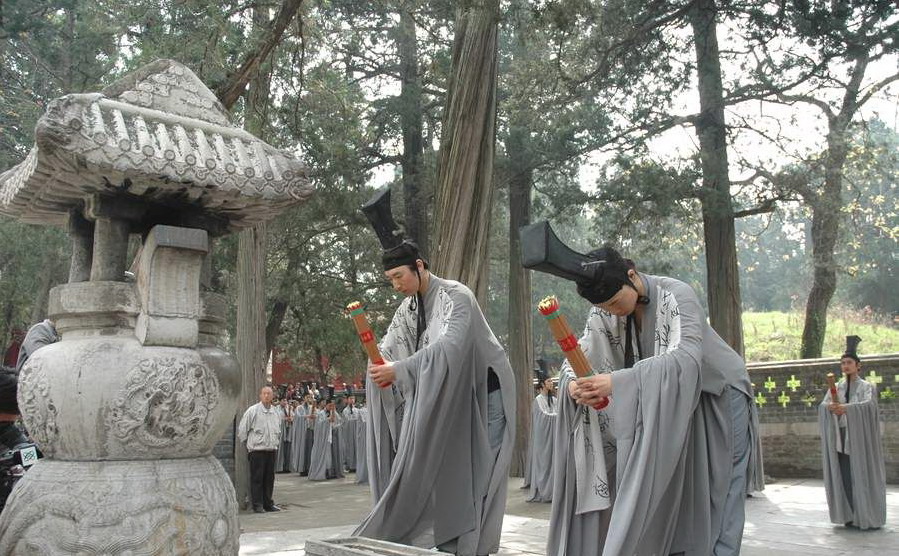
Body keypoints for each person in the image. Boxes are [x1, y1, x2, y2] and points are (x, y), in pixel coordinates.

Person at [521, 222, 762, 556]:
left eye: (617, 302)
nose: (613, 312)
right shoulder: (604, 310)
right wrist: (575, 384)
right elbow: (585, 351)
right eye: (605, 308)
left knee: (720, 489)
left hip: (718, 394)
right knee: (685, 492)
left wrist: (618, 382)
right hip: (675, 401)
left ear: (631, 275)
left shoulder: (677, 295)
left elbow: (685, 358)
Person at [354, 186, 516, 556]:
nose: (395, 286)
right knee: (447, 476)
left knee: (478, 476)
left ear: (421, 266)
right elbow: (389, 348)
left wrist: (400, 369)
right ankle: (449, 544)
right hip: (449, 401)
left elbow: (450, 348)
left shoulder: (457, 296)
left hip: (482, 396)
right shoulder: (409, 309)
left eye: (399, 277)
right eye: (390, 279)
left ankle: (474, 547)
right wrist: (378, 364)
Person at [818, 335, 886, 530]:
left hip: (859, 439)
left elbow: (869, 406)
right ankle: (848, 515)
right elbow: (823, 405)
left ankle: (866, 514)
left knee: (861, 474)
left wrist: (847, 408)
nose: (845, 366)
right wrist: (830, 408)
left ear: (858, 366)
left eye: (849, 362)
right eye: (842, 363)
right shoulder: (836, 387)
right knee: (845, 475)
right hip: (840, 438)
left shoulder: (867, 387)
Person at [236, 385, 282, 513]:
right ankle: (258, 504)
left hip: (271, 450)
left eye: (269, 394)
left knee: (269, 478)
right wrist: (250, 445)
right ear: (260, 396)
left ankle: (268, 503)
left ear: (272, 396)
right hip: (257, 451)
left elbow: (277, 430)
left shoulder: (275, 412)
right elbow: (242, 430)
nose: (267, 396)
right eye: (264, 393)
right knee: (257, 478)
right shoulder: (253, 411)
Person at [522, 372, 557, 503]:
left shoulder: (554, 400)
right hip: (544, 439)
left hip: (554, 438)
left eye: (551, 381)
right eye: (549, 382)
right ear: (542, 384)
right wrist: (557, 417)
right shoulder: (537, 400)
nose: (551, 384)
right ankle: (544, 489)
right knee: (544, 463)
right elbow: (543, 417)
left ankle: (554, 490)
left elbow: (558, 413)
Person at [341, 394, 360, 472]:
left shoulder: (357, 410)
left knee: (357, 447)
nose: (352, 400)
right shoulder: (345, 411)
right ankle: (350, 465)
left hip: (356, 432)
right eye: (350, 398)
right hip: (348, 432)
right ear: (347, 400)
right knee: (349, 448)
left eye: (353, 398)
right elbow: (345, 421)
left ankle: (357, 465)